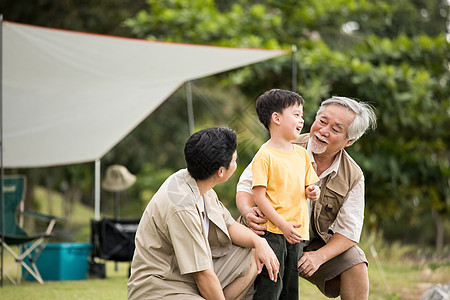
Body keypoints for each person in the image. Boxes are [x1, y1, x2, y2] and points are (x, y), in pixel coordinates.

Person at [237, 96, 377, 300]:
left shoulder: (354, 176)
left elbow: (349, 230)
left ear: (349, 141)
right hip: (269, 232)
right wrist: (248, 211)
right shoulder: (282, 143)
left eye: (335, 129)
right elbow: (246, 186)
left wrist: (319, 257)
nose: (323, 131)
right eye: (322, 121)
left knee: (356, 261)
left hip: (311, 244)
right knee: (265, 288)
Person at [127, 127, 279, 300]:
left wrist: (259, 242)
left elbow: (229, 225)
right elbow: (202, 275)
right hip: (161, 285)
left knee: (252, 253)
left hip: (189, 278)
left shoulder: (200, 183)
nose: (235, 164)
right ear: (221, 171)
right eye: (234, 160)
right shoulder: (181, 206)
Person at [249, 89, 320, 300]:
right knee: (271, 286)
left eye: (302, 115)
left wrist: (312, 191)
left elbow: (308, 186)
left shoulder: (301, 154)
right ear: (276, 118)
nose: (302, 120)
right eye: (296, 114)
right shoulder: (264, 156)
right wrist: (281, 225)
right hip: (273, 233)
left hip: (296, 232)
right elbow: (259, 196)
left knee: (290, 288)